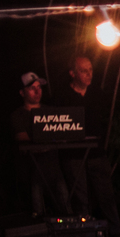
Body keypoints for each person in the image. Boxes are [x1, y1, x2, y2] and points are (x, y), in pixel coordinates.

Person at [58, 55, 120, 237]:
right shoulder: (62, 96)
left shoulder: (96, 93)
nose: (89, 74)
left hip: (96, 153)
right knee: (80, 198)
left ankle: (117, 236)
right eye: (83, 70)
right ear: (73, 73)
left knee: (106, 195)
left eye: (90, 70)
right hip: (74, 155)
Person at [9, 72, 72, 217]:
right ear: (22, 93)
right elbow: (23, 139)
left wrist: (44, 139)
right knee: (37, 213)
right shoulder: (17, 116)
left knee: (66, 208)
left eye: (39, 87)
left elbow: (62, 134)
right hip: (31, 173)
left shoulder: (51, 112)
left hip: (55, 169)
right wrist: (49, 139)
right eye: (32, 88)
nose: (37, 91)